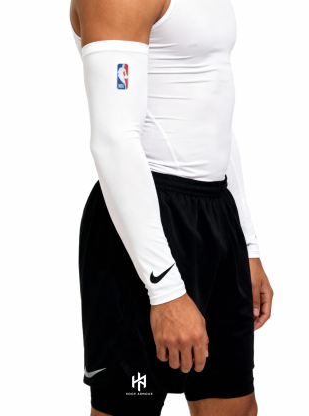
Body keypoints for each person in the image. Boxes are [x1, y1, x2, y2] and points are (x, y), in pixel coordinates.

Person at [70, 0, 274, 414]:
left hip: (217, 210)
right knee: (131, 406)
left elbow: (213, 116)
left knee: (238, 406)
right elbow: (113, 139)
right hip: (145, 216)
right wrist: (164, 289)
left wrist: (248, 246)